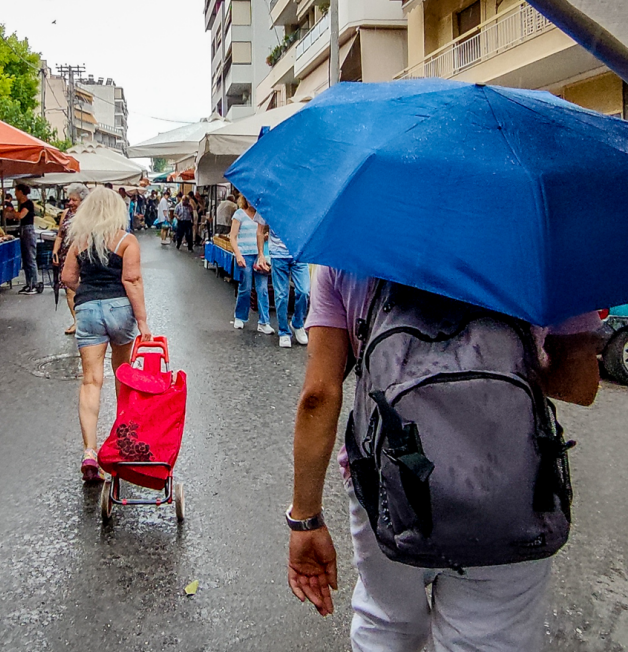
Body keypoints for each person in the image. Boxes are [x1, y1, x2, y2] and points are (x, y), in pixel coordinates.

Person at [287, 266, 601, 650]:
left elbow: (319, 395)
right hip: (511, 487)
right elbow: (580, 383)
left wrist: (306, 519)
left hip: (390, 485)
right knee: (489, 638)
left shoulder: (349, 253)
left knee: (387, 623)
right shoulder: (538, 251)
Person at [61, 187, 152, 482]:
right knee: (122, 373)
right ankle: (121, 442)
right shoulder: (127, 241)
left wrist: (88, 294)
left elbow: (67, 278)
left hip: (86, 309)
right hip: (120, 310)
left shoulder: (79, 241)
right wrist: (143, 323)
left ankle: (90, 451)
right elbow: (132, 280)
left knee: (91, 381)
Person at [255, 216, 309, 348]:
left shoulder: (301, 200)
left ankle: (297, 323)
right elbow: (260, 230)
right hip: (278, 254)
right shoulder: (271, 200)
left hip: (299, 254)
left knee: (304, 291)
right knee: (281, 295)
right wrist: (261, 254)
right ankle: (284, 332)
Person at [228, 194, 273, 334]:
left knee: (263, 289)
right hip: (245, 255)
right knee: (245, 288)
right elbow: (232, 237)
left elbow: (262, 234)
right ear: (245, 199)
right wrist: (238, 255)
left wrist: (265, 238)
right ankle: (240, 316)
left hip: (259, 256)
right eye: (249, 198)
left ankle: (264, 322)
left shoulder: (262, 216)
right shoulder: (239, 214)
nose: (251, 201)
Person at [52, 183, 89, 335]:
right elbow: (60, 234)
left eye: (74, 200)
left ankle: (87, 320)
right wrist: (55, 250)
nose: (70, 203)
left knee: (84, 288)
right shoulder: (66, 213)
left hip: (85, 256)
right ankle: (77, 322)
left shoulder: (89, 214)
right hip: (67, 255)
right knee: (69, 290)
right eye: (70, 199)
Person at [7, 184, 43, 295]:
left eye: (16, 191)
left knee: (30, 258)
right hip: (23, 230)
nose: (15, 194)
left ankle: (33, 284)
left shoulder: (28, 204)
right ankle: (29, 283)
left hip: (28, 231)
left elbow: (21, 216)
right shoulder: (22, 204)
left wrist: (12, 212)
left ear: (21, 192)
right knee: (26, 259)